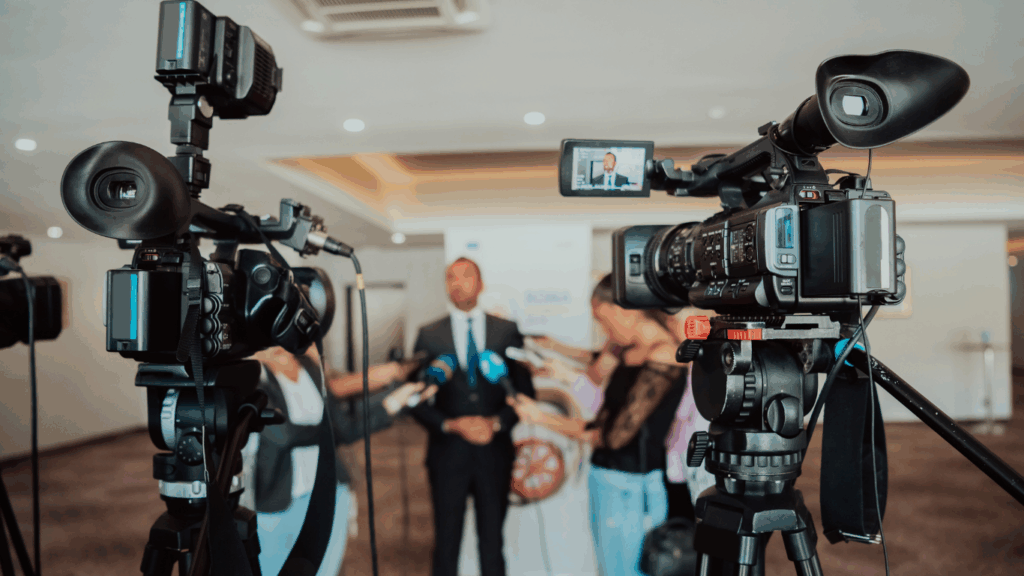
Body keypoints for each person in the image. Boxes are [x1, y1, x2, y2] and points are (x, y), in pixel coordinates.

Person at [509, 274, 713, 576]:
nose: (605, 331)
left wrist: (540, 418)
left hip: (632, 487)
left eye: (604, 321)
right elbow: (604, 406)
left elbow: (613, 436)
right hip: (607, 479)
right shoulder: (629, 351)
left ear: (624, 310)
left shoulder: (664, 356)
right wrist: (560, 367)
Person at [243, 345, 436, 576]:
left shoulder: (310, 368)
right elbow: (284, 434)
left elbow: (345, 428)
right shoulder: (253, 377)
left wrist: (393, 403)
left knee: (325, 571)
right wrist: (331, 432)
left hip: (331, 494)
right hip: (279, 501)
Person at [410, 257, 535, 576]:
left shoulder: (506, 331)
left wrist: (496, 423)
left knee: (492, 543)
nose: (457, 283)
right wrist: (450, 424)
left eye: (466, 276)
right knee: (446, 543)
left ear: (481, 284)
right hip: (446, 454)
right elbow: (415, 399)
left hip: (495, 453)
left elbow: (524, 393)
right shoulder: (429, 334)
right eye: (450, 277)